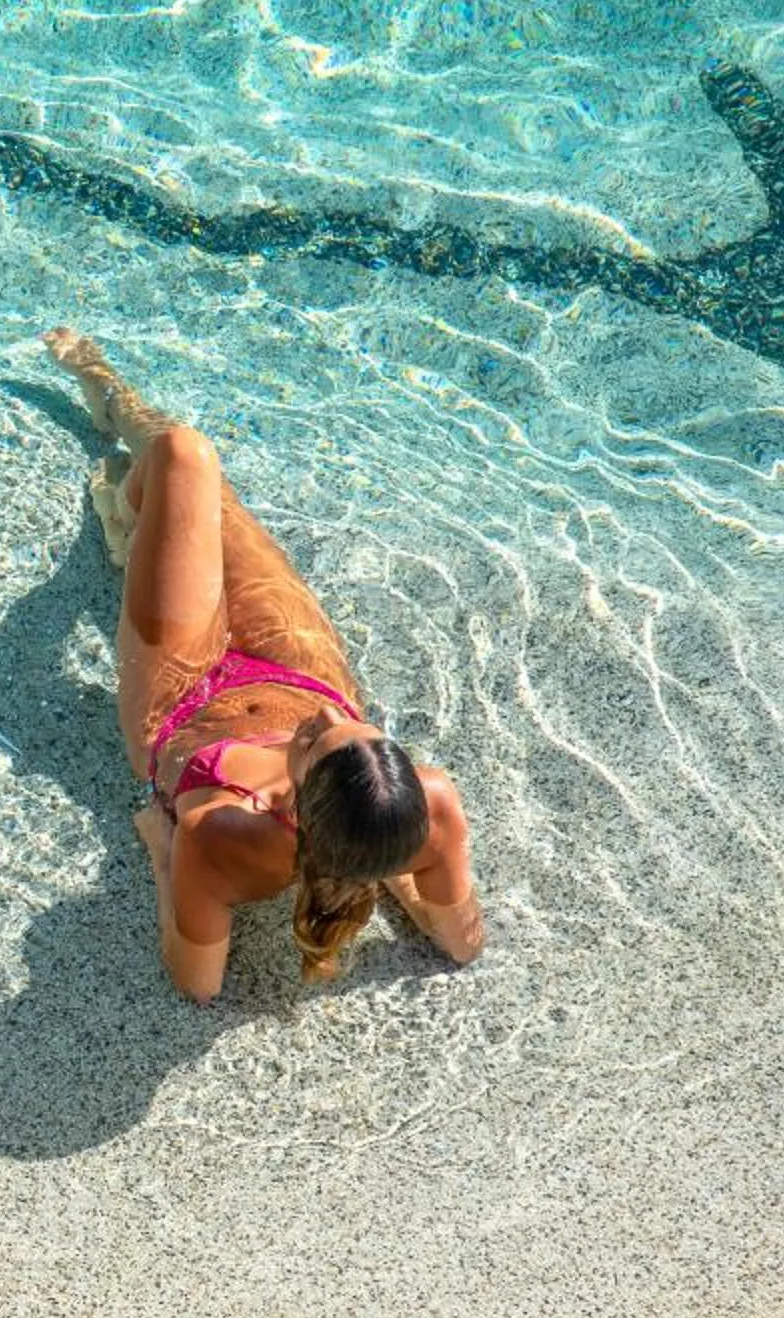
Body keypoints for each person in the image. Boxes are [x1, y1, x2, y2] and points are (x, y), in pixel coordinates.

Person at [45, 329, 485, 1002]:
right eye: (356, 725)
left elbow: (197, 983)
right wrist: (388, 860)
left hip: (182, 694)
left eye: (313, 738)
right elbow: (462, 939)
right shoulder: (427, 802)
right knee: (191, 463)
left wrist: (163, 854)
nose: (324, 716)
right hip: (292, 661)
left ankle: (124, 521)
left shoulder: (218, 834)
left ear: (304, 801)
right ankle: (115, 410)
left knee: (182, 458)